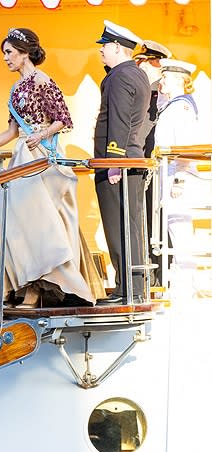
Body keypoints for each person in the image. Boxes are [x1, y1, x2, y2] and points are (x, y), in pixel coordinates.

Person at [0, 28, 102, 308]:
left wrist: (40, 135)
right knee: (8, 218)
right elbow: (11, 131)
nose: (5, 58)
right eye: (4, 53)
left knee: (38, 225)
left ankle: (36, 288)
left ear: (25, 52)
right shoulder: (16, 88)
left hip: (44, 158)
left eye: (9, 52)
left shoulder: (43, 81)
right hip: (22, 156)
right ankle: (16, 283)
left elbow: (63, 120)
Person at [93, 20, 151, 305]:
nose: (101, 51)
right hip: (131, 161)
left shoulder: (119, 76)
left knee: (118, 227)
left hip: (117, 164)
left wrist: (112, 161)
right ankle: (134, 286)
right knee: (130, 225)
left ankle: (126, 289)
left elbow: (118, 121)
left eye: (104, 46)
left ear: (117, 46)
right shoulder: (137, 74)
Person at [154, 59, 206, 299]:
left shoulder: (181, 108)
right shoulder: (173, 105)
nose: (161, 80)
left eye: (165, 77)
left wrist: (179, 181)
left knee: (180, 227)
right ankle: (185, 282)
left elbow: (184, 147)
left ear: (176, 80)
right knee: (174, 228)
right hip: (170, 173)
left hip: (177, 175)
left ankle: (186, 284)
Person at [134, 40, 172, 286]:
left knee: (159, 219)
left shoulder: (161, 91)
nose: (140, 65)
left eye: (144, 61)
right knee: (148, 217)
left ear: (155, 62)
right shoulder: (146, 89)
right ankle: (155, 275)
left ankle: (161, 275)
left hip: (157, 165)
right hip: (147, 164)